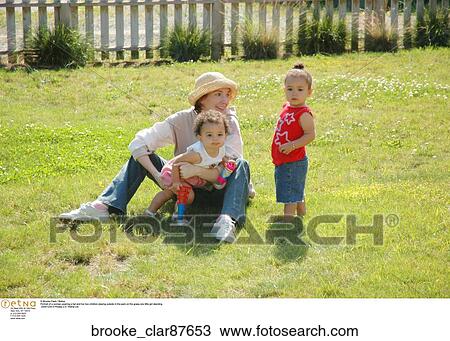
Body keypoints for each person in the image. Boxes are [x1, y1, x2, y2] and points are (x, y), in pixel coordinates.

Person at [59, 72, 253, 243]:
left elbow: (229, 168)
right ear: (202, 99)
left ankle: (227, 219)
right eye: (218, 94)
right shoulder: (180, 120)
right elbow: (138, 143)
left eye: (227, 95)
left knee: (241, 164)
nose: (225, 100)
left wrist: (198, 170)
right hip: (183, 187)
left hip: (218, 190)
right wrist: (158, 174)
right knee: (142, 156)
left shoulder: (229, 122)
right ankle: (105, 206)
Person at [145, 109, 235, 216]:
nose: (215, 139)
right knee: (182, 195)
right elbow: (176, 163)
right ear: (200, 137)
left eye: (220, 134)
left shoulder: (220, 148)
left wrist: (226, 161)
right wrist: (176, 181)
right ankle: (167, 213)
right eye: (209, 135)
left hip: (189, 175)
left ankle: (159, 211)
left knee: (170, 193)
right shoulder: (197, 155)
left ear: (225, 135)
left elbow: (220, 157)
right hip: (175, 173)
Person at [271, 63, 316, 217]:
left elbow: (310, 135)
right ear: (285, 90)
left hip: (294, 159)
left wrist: (292, 145)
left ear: (309, 92)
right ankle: (302, 214)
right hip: (284, 158)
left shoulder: (304, 114)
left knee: (289, 193)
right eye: (290, 89)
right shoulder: (287, 107)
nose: (294, 93)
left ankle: (288, 222)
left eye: (300, 89)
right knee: (295, 188)